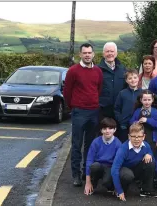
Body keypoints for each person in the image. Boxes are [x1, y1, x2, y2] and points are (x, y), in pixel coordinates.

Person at [63, 43, 103, 186]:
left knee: (90, 145)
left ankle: (87, 172)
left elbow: (98, 89)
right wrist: (73, 106)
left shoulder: (98, 71)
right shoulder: (73, 71)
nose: (87, 55)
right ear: (80, 54)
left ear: (93, 54)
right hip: (79, 111)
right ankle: (76, 175)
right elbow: (67, 92)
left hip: (94, 111)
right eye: (84, 53)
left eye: (89, 52)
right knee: (77, 144)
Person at [111, 123, 157, 201]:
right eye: (133, 136)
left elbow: (153, 164)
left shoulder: (146, 145)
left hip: (137, 170)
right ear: (129, 136)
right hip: (125, 171)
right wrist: (119, 189)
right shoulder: (123, 148)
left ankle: (146, 189)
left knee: (151, 162)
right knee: (128, 175)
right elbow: (114, 169)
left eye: (139, 136)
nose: (136, 139)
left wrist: (149, 154)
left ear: (143, 137)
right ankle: (122, 189)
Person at [84, 118, 122, 195]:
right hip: (99, 165)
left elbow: (118, 164)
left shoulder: (118, 144)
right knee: (94, 166)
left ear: (115, 130)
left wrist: (117, 186)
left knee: (106, 182)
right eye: (104, 129)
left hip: (110, 167)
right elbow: (89, 161)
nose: (107, 131)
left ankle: (110, 186)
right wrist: (87, 182)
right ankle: (92, 185)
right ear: (101, 130)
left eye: (110, 128)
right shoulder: (96, 142)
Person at [97, 42, 127, 131]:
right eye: (107, 51)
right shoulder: (97, 70)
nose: (110, 53)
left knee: (119, 137)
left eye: (112, 51)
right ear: (103, 54)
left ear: (116, 53)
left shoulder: (123, 69)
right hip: (103, 111)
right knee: (103, 137)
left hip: (119, 111)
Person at [129, 90, 157, 156]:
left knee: (151, 156)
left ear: (152, 100)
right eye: (145, 100)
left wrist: (147, 120)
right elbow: (131, 122)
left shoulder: (155, 111)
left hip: (151, 139)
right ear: (141, 100)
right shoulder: (138, 111)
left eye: (149, 100)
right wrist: (137, 122)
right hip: (139, 138)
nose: (147, 102)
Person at [114, 69, 142, 143]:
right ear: (126, 80)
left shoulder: (142, 93)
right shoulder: (122, 93)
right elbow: (116, 108)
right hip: (124, 125)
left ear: (138, 78)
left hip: (138, 124)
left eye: (135, 77)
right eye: (130, 78)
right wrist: (120, 119)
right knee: (125, 144)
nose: (133, 80)